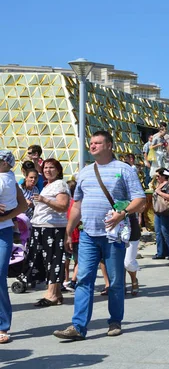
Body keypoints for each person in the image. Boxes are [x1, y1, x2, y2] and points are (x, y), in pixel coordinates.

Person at [53, 131, 146, 340]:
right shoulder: (84, 172)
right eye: (91, 143)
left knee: (114, 281)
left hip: (113, 236)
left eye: (97, 143)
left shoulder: (124, 169)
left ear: (109, 145)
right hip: (88, 234)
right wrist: (69, 231)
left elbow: (140, 199)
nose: (92, 146)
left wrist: (123, 213)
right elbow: (77, 204)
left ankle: (115, 320)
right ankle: (78, 326)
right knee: (84, 279)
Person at [27, 159, 71, 307]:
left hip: (53, 228)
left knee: (53, 260)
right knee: (48, 261)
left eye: (52, 167)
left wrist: (43, 200)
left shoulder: (60, 185)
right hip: (42, 226)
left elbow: (63, 206)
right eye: (45, 167)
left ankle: (51, 294)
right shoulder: (48, 185)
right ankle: (56, 293)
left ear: (58, 170)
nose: (47, 170)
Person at [0, 150, 28, 344]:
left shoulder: (7, 178)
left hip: (3, 231)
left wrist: (5, 217)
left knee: (0, 275)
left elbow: (23, 205)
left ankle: (2, 325)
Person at [152, 168, 169, 260]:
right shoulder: (158, 184)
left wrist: (159, 192)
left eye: (158, 176)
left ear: (163, 176)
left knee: (165, 231)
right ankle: (160, 252)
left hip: (166, 211)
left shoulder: (168, 185)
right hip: (157, 210)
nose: (157, 178)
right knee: (158, 232)